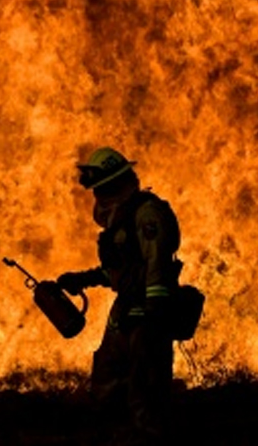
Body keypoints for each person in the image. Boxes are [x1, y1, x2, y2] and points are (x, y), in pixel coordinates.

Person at [57, 146, 182, 444]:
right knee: (107, 383)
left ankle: (152, 436)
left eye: (103, 189)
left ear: (117, 184)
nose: (99, 198)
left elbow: (157, 266)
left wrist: (152, 314)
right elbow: (121, 271)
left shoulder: (147, 213)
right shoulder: (121, 220)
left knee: (145, 391)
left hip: (148, 314)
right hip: (125, 311)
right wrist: (83, 279)